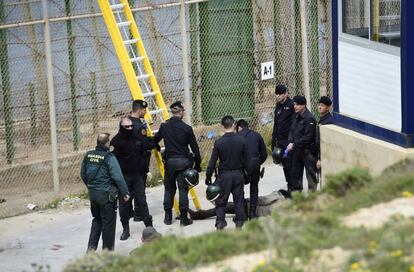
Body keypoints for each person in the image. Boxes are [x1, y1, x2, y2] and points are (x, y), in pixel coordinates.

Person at [153, 101, 202, 226]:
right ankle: (184, 218)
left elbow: (154, 140)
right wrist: (198, 165)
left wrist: (157, 147)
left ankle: (168, 217)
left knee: (169, 189)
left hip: (170, 163)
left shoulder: (164, 127)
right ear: (180, 112)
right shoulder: (187, 128)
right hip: (184, 162)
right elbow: (195, 149)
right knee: (183, 189)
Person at [80, 133, 130, 251]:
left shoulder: (88, 155)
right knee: (108, 225)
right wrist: (125, 193)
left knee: (96, 221)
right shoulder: (109, 158)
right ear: (107, 143)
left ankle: (91, 250)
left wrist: (91, 186)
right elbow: (117, 177)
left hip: (93, 194)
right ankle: (107, 254)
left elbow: (83, 174)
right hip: (107, 196)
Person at [110, 118, 152, 241]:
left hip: (137, 175)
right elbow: (112, 161)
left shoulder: (136, 137)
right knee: (124, 205)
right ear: (121, 127)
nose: (130, 129)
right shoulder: (116, 141)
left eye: (131, 126)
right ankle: (126, 230)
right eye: (127, 127)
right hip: (124, 178)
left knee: (142, 201)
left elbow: (144, 151)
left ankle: (149, 228)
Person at [206, 115, 249, 230]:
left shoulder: (219, 142)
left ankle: (220, 222)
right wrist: (247, 174)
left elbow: (212, 162)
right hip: (238, 174)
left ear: (223, 126)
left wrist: (208, 176)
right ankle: (239, 222)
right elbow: (247, 160)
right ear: (234, 125)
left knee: (221, 201)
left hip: (224, 175)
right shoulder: (242, 140)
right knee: (238, 200)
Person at [129, 100, 158, 223]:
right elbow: (144, 145)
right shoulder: (140, 126)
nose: (145, 113)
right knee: (140, 189)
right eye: (144, 111)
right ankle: (140, 214)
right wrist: (154, 142)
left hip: (129, 161)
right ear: (139, 110)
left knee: (131, 188)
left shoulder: (126, 122)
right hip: (140, 161)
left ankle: (133, 213)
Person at [236, 119, 267, 219]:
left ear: (239, 127)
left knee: (239, 190)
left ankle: (243, 213)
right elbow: (264, 154)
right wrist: (257, 163)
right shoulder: (257, 135)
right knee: (254, 188)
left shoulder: (236, 137)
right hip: (255, 165)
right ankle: (252, 213)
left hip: (242, 167)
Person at [287, 95, 318, 192]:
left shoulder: (309, 118)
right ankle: (298, 196)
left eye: (297, 104)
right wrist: (291, 141)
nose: (294, 106)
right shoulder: (296, 116)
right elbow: (292, 130)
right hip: (297, 151)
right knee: (296, 175)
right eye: (294, 104)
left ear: (303, 105)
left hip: (307, 152)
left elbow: (307, 137)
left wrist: (294, 144)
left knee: (310, 176)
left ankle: (312, 197)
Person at [189, 190, 286, 220]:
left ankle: (198, 215)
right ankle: (199, 214)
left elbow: (262, 200)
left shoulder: (278, 202)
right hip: (248, 208)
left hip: (248, 208)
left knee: (224, 207)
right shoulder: (280, 204)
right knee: (225, 207)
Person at [271, 85, 295, 190]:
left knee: (290, 164)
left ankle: (293, 187)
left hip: (288, 140)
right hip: (280, 139)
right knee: (284, 164)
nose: (278, 96)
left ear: (286, 94)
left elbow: (295, 124)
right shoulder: (278, 106)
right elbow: (276, 124)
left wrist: (293, 140)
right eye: (276, 94)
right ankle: (289, 184)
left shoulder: (291, 105)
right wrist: (273, 140)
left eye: (280, 94)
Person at [315, 96, 333, 171]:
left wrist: (320, 159)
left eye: (322, 105)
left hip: (325, 156)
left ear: (328, 108)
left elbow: (324, 142)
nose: (319, 107)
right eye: (319, 105)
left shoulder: (328, 122)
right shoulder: (322, 119)